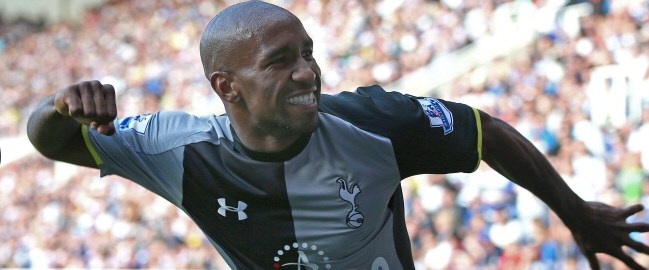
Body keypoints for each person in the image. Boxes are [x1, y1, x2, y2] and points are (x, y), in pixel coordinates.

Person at [26, 1, 649, 269]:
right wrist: (59, 107)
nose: (307, 71)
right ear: (226, 86)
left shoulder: (375, 123)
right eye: (280, 60)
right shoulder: (176, 150)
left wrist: (576, 214)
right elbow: (49, 140)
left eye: (309, 52)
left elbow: (487, 133)